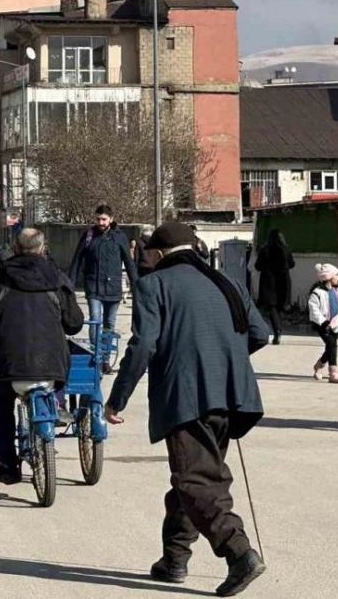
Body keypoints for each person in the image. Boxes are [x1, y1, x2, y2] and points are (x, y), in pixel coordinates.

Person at [106, 222, 269, 598]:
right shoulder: (228, 282)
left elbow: (144, 345)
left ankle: (239, 552)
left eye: (146, 253)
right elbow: (258, 333)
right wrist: (222, 360)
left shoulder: (154, 285)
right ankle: (174, 559)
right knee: (194, 477)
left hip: (186, 397)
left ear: (159, 254)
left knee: (195, 480)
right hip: (233, 396)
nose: (142, 258)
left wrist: (118, 398)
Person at [0, 228, 85, 484]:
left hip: (7, 364)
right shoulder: (58, 278)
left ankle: (7, 465)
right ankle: (57, 406)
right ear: (43, 248)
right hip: (53, 365)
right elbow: (74, 324)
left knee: (2, 406)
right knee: (51, 382)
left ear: (15, 246)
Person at [69, 205, 139, 371]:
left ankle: (105, 358)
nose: (100, 222)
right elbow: (77, 260)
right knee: (95, 320)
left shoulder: (119, 237)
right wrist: (69, 284)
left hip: (113, 288)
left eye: (104, 219)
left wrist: (136, 286)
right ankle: (96, 357)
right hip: (93, 286)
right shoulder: (89, 235)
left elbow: (129, 263)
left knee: (109, 323)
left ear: (111, 219)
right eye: (98, 219)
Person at [308, 263, 338, 384]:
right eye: (336, 275)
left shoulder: (336, 291)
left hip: (335, 323)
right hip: (322, 325)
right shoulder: (317, 293)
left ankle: (319, 365)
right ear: (329, 277)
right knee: (332, 344)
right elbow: (314, 310)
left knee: (331, 346)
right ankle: (333, 372)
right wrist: (323, 322)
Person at [255, 228, 294, 345]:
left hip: (269, 283)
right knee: (279, 306)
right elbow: (292, 264)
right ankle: (278, 329)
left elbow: (257, 266)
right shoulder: (286, 250)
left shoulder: (265, 250)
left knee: (271, 307)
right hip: (283, 281)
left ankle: (277, 330)